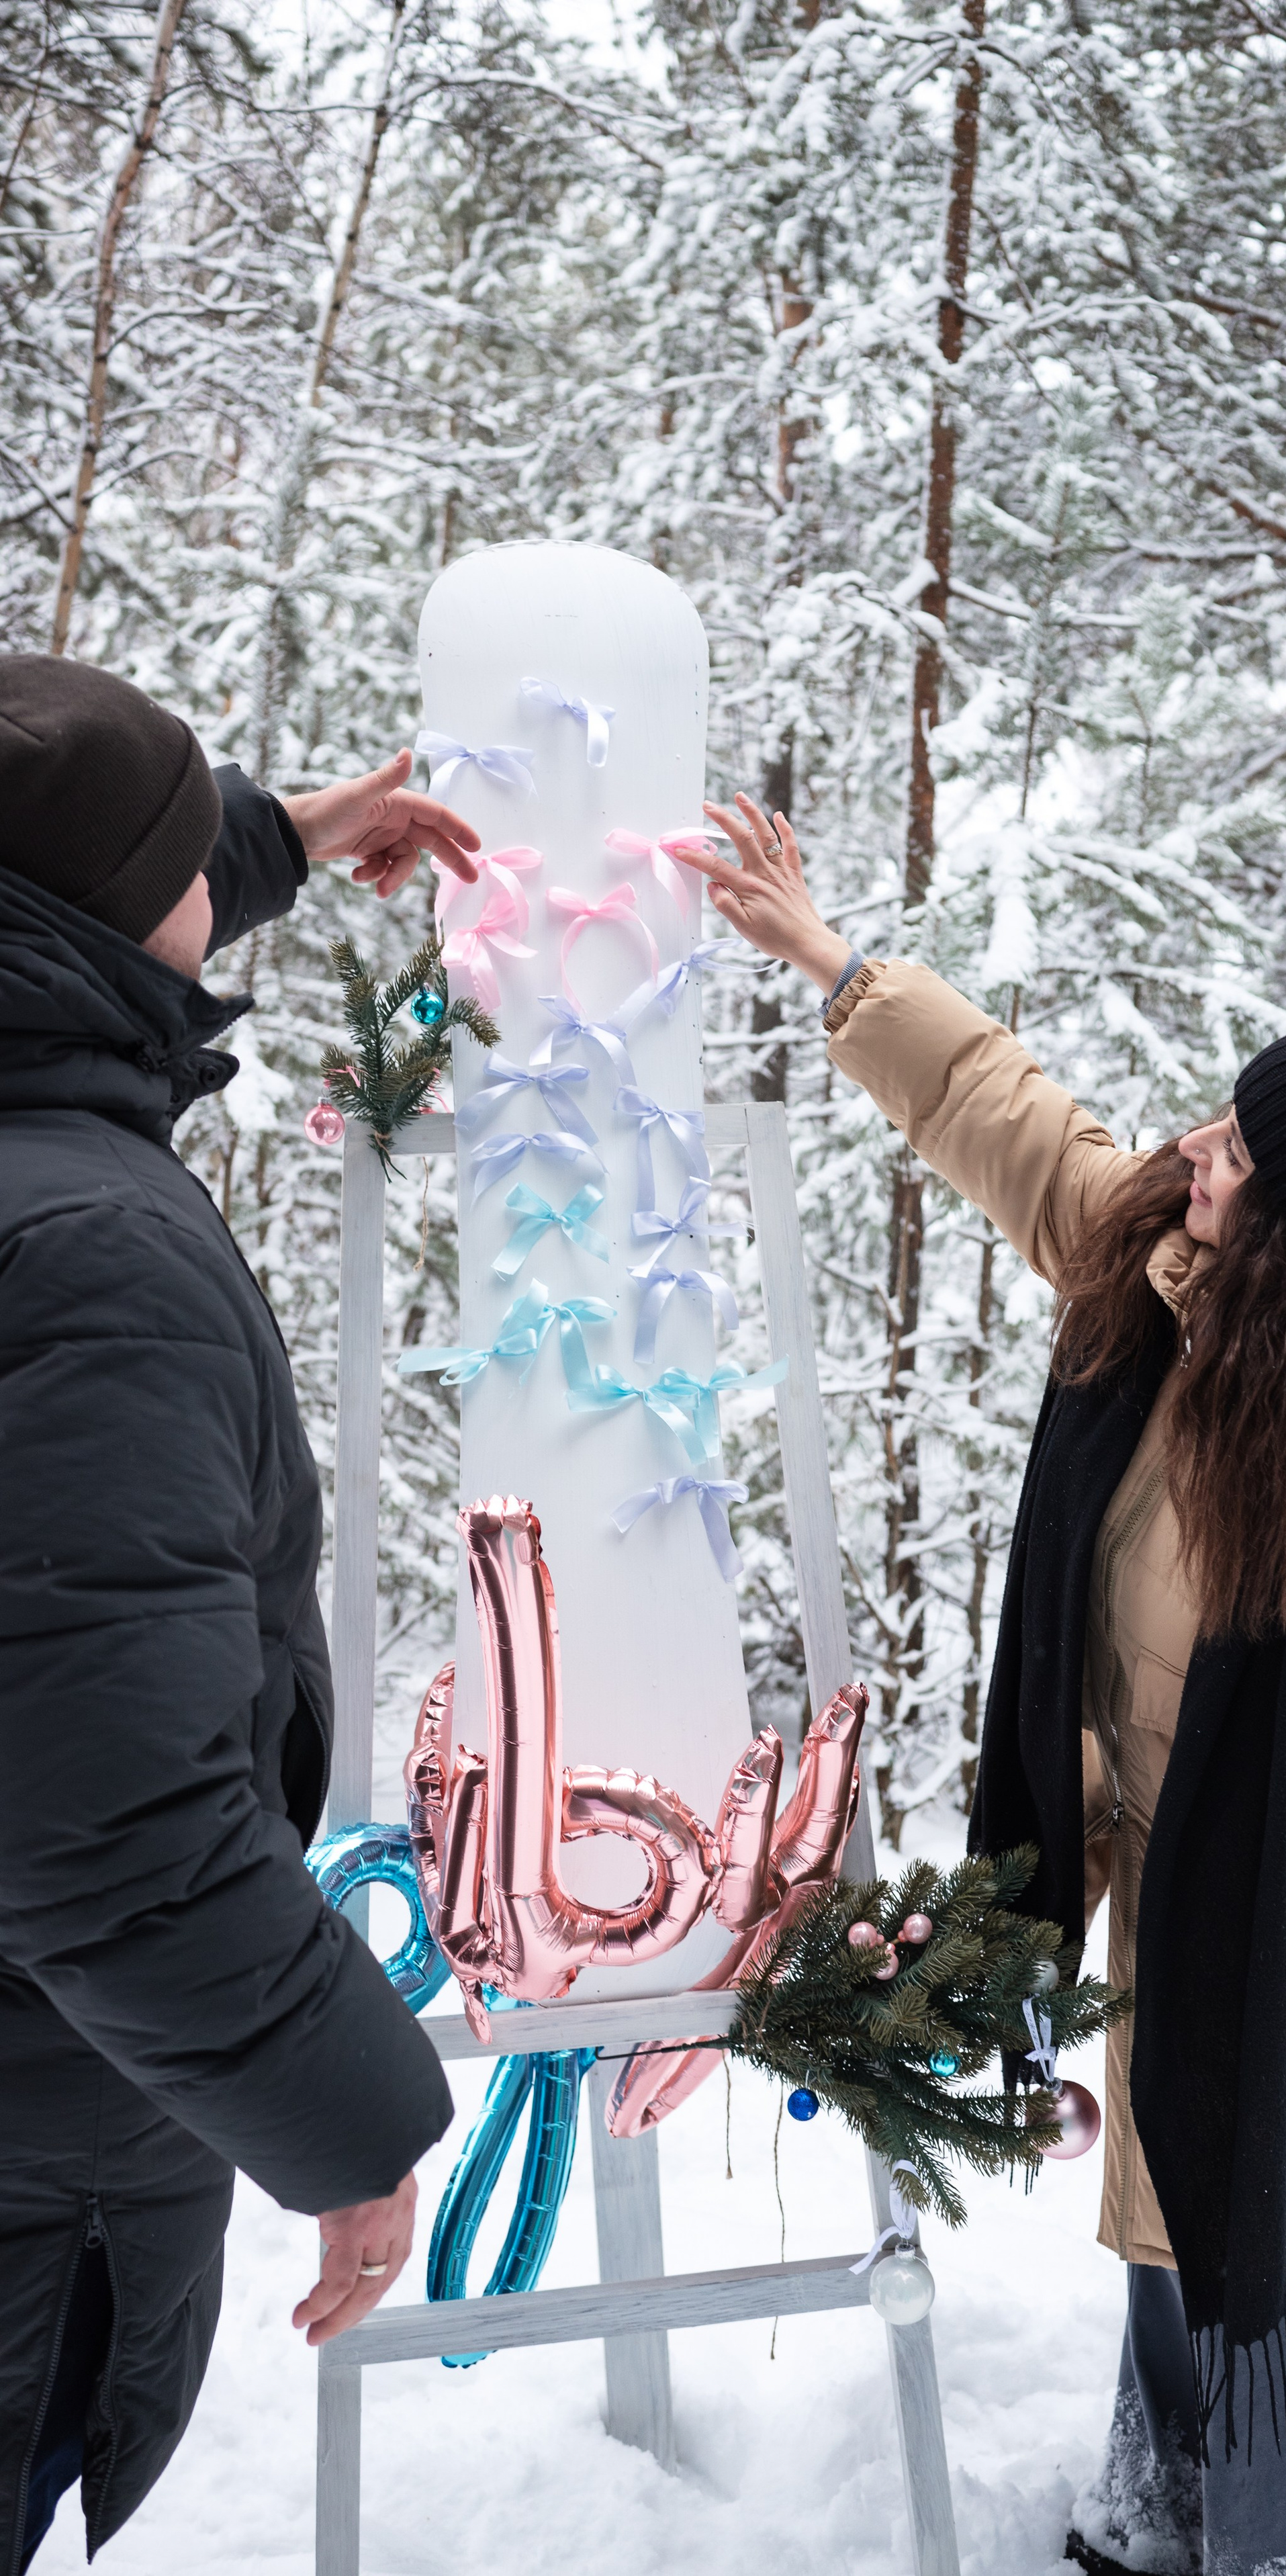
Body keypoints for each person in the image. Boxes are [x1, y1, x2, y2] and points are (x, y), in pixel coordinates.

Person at [686, 792, 1286, 2576]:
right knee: (1181, 2242)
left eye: (1239, 1150)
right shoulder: (1190, 1282)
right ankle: (1162, 2527)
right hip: (1181, 1918)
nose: (1193, 1150)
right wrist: (837, 965)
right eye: (1223, 1116)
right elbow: (1016, 1126)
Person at [0, 656, 484, 2570]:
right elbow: (110, 1825)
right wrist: (351, 2126)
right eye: (193, 851)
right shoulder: (91, 1260)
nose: (220, 871)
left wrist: (275, 837)